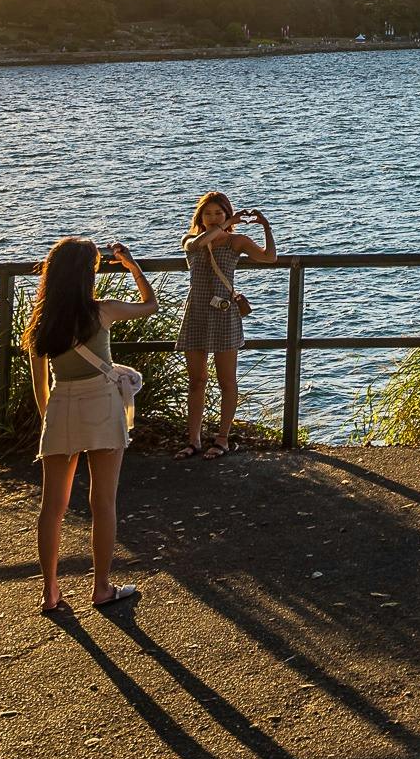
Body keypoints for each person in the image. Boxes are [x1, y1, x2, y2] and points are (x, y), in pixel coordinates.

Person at [28, 235, 158, 615]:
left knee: (52, 506)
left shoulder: (40, 321)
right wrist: (133, 266)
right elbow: (150, 305)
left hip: (62, 406)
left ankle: (50, 592)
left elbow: (41, 385)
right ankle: (101, 587)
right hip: (101, 403)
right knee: (103, 501)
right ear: (88, 274)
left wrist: (49, 418)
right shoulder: (102, 311)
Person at [178, 190, 276, 457]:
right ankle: (193, 439)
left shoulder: (236, 242)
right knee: (196, 380)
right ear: (200, 215)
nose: (212, 218)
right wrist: (224, 224)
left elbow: (269, 258)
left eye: (218, 213)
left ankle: (222, 438)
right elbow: (195, 246)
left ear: (227, 213)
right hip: (197, 312)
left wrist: (266, 227)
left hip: (223, 314)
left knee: (227, 381)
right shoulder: (191, 239)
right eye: (207, 213)